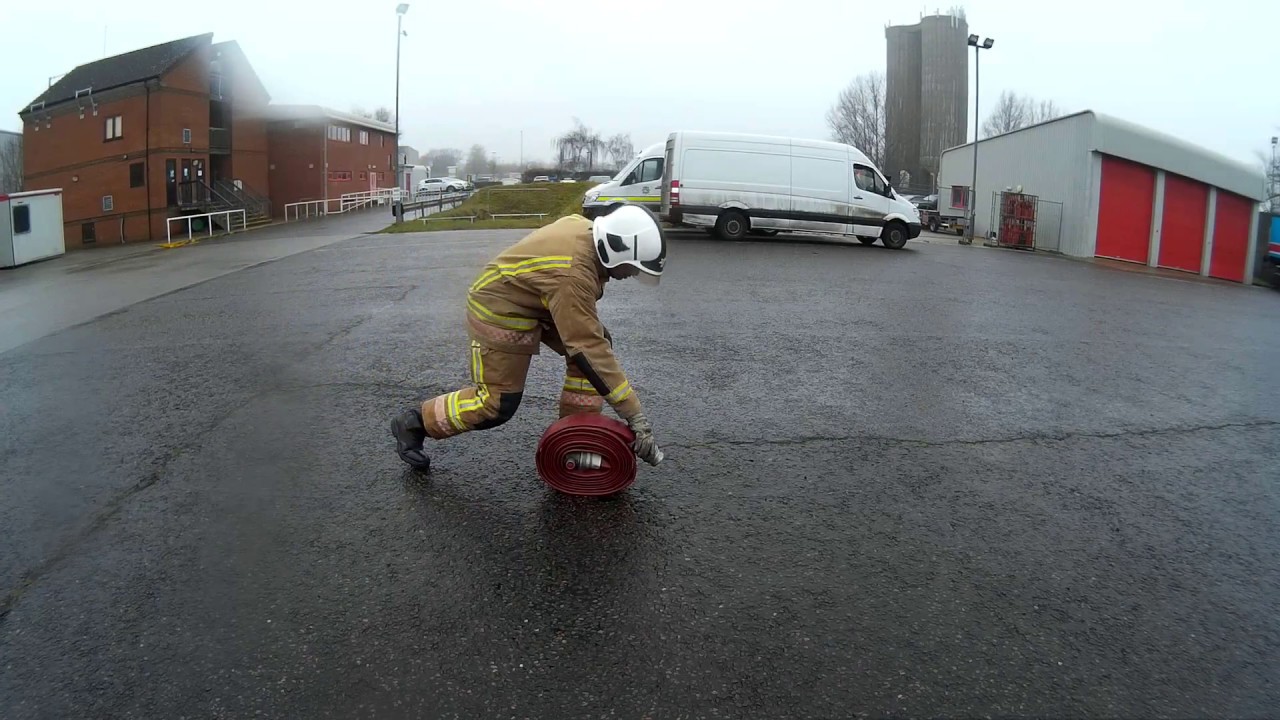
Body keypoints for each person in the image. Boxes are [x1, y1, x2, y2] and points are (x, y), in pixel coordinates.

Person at [390, 203, 666, 473]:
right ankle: (415, 423)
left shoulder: (584, 229)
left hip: (534, 299)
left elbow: (586, 340)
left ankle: (574, 436)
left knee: (591, 353)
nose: (632, 275)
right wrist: (635, 417)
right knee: (497, 404)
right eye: (632, 267)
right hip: (499, 308)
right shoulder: (572, 275)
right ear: (615, 248)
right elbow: (588, 348)